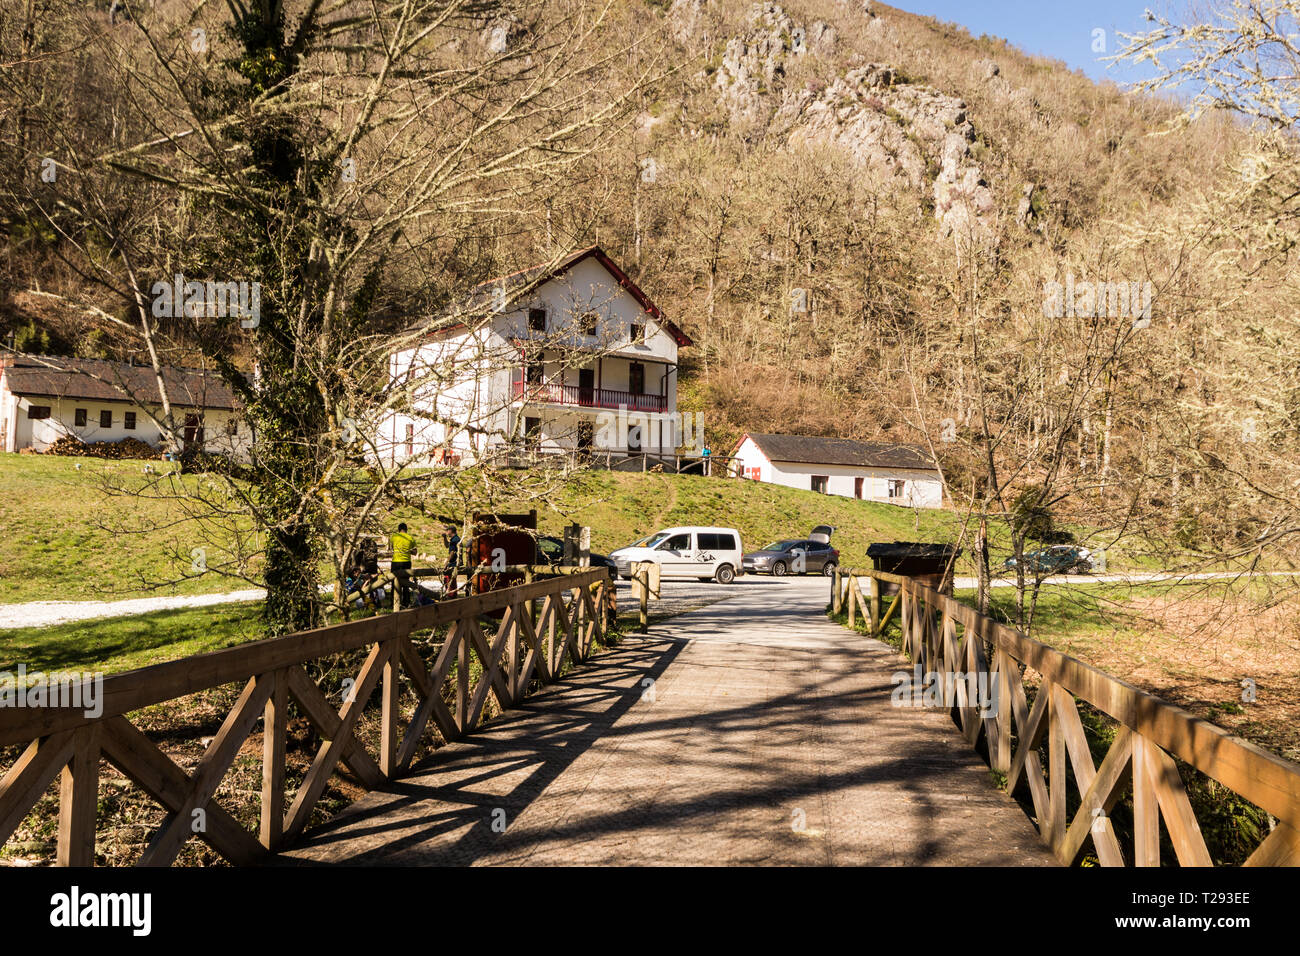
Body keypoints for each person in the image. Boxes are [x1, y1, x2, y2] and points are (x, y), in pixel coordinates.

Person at [390, 522, 415, 608]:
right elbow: (415, 552)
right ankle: (406, 602)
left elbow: (391, 548)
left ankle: (394, 602)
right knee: (406, 583)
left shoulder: (394, 537)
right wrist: (408, 550)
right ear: (406, 529)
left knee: (394, 582)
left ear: (399, 529)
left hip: (396, 562)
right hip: (406, 562)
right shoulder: (410, 538)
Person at [441, 525, 461, 597]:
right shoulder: (455, 539)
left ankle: (451, 596)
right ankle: (452, 595)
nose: (446, 532)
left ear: (450, 531)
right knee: (451, 581)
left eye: (447, 530)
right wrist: (444, 538)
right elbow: (447, 546)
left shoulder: (454, 540)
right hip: (455, 562)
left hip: (453, 563)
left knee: (449, 581)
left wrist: (447, 563)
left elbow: (452, 552)